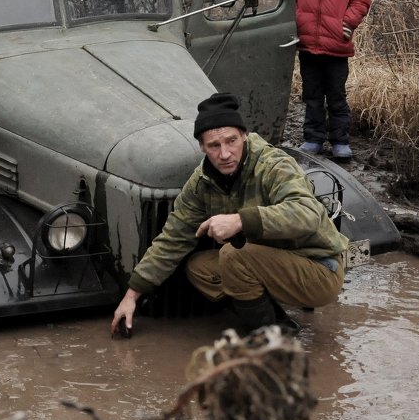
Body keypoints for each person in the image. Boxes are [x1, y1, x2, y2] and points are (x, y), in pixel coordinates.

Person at [111, 92, 349, 338]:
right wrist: (131, 296)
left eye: (231, 141)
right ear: (202, 147)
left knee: (233, 257)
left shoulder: (274, 165)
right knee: (200, 268)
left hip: (318, 267)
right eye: (214, 145)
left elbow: (308, 214)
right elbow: (173, 238)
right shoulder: (201, 183)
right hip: (268, 261)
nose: (224, 154)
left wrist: (240, 220)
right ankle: (280, 324)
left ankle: (270, 337)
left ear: (244, 136)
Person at [295, 0, 372, 160]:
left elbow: (361, 0)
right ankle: (313, 138)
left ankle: (340, 141)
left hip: (337, 46)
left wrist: (347, 23)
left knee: (337, 96)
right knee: (312, 95)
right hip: (308, 46)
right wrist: (295, 24)